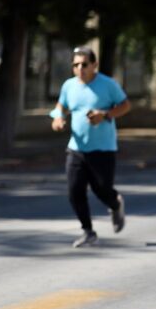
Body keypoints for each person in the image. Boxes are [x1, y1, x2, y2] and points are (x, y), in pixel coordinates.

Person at [50, 46, 131, 248]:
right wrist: (58, 118)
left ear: (94, 65)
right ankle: (88, 231)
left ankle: (115, 204)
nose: (79, 68)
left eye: (84, 64)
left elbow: (125, 105)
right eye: (75, 65)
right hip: (76, 148)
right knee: (74, 191)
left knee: (102, 189)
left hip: (103, 149)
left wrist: (104, 115)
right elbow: (61, 106)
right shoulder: (69, 85)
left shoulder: (108, 84)